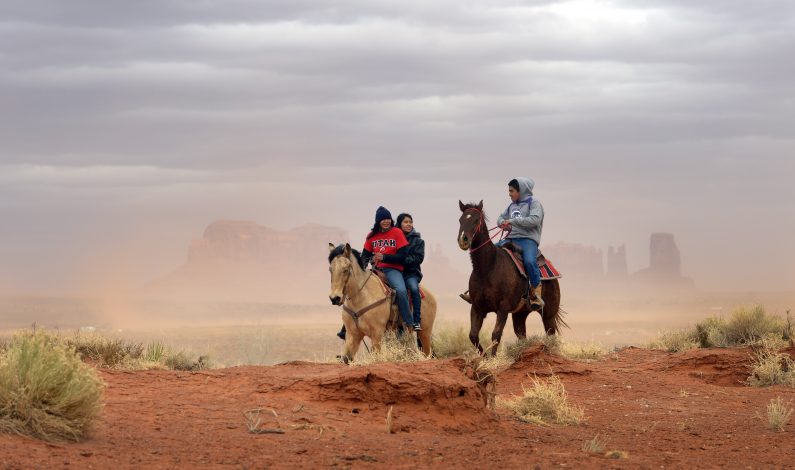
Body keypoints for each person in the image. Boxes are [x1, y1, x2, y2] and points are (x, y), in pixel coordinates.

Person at [461, 177, 545, 308]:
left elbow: (535, 220)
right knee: (487, 255)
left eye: (512, 191)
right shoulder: (512, 205)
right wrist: (502, 224)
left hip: (528, 240)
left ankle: (536, 292)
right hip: (511, 238)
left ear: (521, 191)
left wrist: (512, 221)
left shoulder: (534, 204)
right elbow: (501, 218)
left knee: (529, 261)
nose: (509, 193)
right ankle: (475, 292)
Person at [336, 206, 413, 340]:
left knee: (400, 290)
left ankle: (406, 324)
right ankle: (346, 327)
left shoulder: (397, 233)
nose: (386, 221)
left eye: (388, 219)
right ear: (378, 221)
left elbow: (403, 256)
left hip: (392, 270)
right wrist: (363, 267)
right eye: (383, 219)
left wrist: (385, 257)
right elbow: (364, 256)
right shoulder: (371, 236)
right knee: (353, 288)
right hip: (375, 270)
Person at [396, 212, 425, 331]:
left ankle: (416, 320)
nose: (409, 224)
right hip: (395, 271)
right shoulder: (394, 238)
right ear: (399, 224)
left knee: (414, 289)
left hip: (411, 273)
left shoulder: (419, 241)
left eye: (410, 222)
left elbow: (418, 258)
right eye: (405, 222)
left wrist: (401, 259)